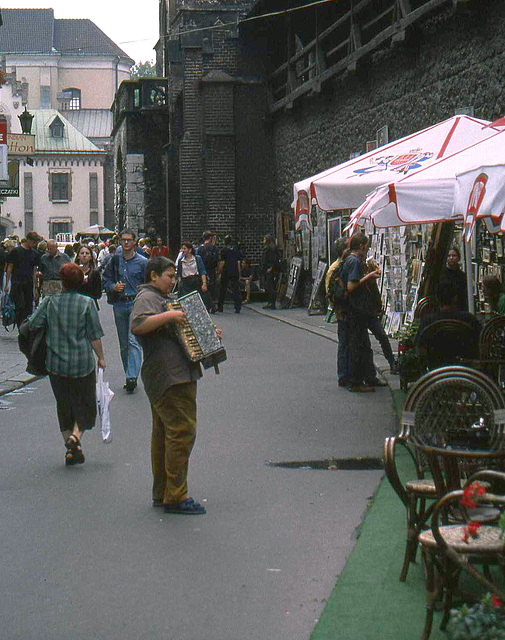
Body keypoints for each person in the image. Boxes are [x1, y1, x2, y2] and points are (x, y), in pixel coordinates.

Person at [131, 256, 213, 515]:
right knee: (181, 431)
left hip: (173, 374)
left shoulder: (160, 298)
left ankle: (163, 491)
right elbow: (138, 325)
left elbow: (177, 330)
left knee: (164, 434)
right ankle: (176, 496)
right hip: (170, 376)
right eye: (169, 275)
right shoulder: (148, 298)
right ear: (153, 276)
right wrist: (170, 315)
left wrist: (208, 334)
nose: (173, 280)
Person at [28, 262, 105, 466]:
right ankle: (76, 438)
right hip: (82, 363)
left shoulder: (50, 302)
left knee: (64, 406)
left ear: (62, 282)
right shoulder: (87, 303)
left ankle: (71, 449)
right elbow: (94, 335)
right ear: (81, 282)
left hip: (56, 364)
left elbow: (33, 324)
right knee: (86, 404)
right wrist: (101, 358)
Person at [103, 228, 147, 394]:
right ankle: (129, 371)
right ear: (120, 242)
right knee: (123, 343)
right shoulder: (114, 261)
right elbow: (105, 279)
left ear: (135, 242)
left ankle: (131, 377)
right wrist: (113, 287)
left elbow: (149, 282)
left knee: (133, 340)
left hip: (136, 303)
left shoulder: (143, 262)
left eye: (129, 240)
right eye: (124, 240)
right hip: (120, 304)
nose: (126, 243)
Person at [340, 233, 384, 392]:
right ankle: (356, 381)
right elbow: (351, 286)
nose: (368, 249)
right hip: (356, 310)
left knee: (363, 345)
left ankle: (367, 378)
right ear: (361, 246)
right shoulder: (354, 262)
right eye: (366, 245)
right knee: (358, 345)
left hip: (356, 310)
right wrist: (370, 275)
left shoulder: (350, 260)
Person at [325, 238, 350, 386]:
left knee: (346, 343)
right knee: (344, 343)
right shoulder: (336, 268)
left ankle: (346, 374)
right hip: (342, 310)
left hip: (343, 310)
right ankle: (343, 375)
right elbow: (330, 291)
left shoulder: (340, 265)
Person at [4, 231, 41, 327]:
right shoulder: (16, 251)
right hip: (17, 282)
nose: (35, 244)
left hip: (28, 282)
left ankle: (25, 327)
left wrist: (36, 287)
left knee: (28, 306)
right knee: (20, 306)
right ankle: (21, 326)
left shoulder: (34, 253)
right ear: (28, 240)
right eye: (33, 242)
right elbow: (10, 268)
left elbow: (34, 270)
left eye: (36, 242)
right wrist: (7, 284)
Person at [217, 235, 242, 314]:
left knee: (223, 289)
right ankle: (238, 307)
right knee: (236, 289)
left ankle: (220, 306)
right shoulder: (235, 250)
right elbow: (238, 262)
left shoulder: (224, 250)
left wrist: (219, 272)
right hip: (234, 271)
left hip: (226, 271)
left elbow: (222, 263)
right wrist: (239, 273)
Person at [196, 231, 219, 312]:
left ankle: (207, 305)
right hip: (212, 270)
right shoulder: (214, 248)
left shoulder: (200, 248)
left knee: (203, 288)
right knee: (212, 288)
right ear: (210, 238)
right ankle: (211, 304)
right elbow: (217, 261)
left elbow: (197, 261)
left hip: (202, 271)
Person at [439, 246, 468, 310]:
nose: (451, 258)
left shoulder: (462, 276)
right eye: (449, 256)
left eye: (454, 255)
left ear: (458, 258)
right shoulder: (442, 275)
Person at [262, 235, 281, 310]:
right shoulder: (269, 247)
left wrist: (271, 267)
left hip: (270, 269)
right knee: (268, 286)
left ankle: (272, 303)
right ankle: (270, 302)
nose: (263, 240)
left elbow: (274, 259)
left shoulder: (271, 248)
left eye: (264, 239)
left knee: (270, 286)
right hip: (267, 268)